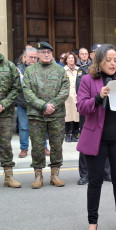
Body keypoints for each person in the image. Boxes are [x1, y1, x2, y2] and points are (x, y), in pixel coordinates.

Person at [76, 44, 116, 230]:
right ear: (99, 62)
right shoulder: (88, 80)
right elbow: (81, 107)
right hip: (97, 139)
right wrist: (98, 97)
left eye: (115, 60)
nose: (112, 64)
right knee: (95, 182)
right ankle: (92, 223)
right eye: (108, 60)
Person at [22, 41, 70, 188]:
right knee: (37, 145)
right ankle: (38, 175)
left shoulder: (60, 70)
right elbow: (27, 91)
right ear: (38, 54)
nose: (46, 54)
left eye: (48, 52)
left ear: (52, 54)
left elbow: (65, 90)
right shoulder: (30, 71)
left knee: (56, 145)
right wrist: (42, 105)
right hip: (37, 115)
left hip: (56, 115)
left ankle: (55, 174)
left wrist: (52, 105)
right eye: (43, 52)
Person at [75, 43, 112, 186]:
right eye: (96, 52)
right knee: (87, 143)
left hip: (106, 112)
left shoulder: (112, 74)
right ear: (92, 55)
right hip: (89, 111)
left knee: (106, 141)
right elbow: (81, 93)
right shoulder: (84, 71)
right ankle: (85, 174)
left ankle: (106, 171)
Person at [17, 47, 51, 158]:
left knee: (41, 127)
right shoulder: (18, 69)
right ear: (25, 57)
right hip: (23, 103)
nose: (33, 60)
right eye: (31, 57)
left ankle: (44, 147)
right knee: (23, 127)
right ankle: (24, 148)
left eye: (35, 58)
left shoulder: (41, 68)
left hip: (38, 104)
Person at [0, 52, 22, 188]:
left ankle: (8, 177)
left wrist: (4, 103)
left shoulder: (9, 66)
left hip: (5, 113)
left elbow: (16, 88)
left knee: (5, 144)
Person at [63, 52, 80, 143]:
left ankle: (74, 134)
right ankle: (67, 134)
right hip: (67, 96)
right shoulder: (63, 70)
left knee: (76, 116)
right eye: (69, 58)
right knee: (68, 115)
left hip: (77, 95)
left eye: (72, 58)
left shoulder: (79, 70)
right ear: (66, 60)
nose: (71, 59)